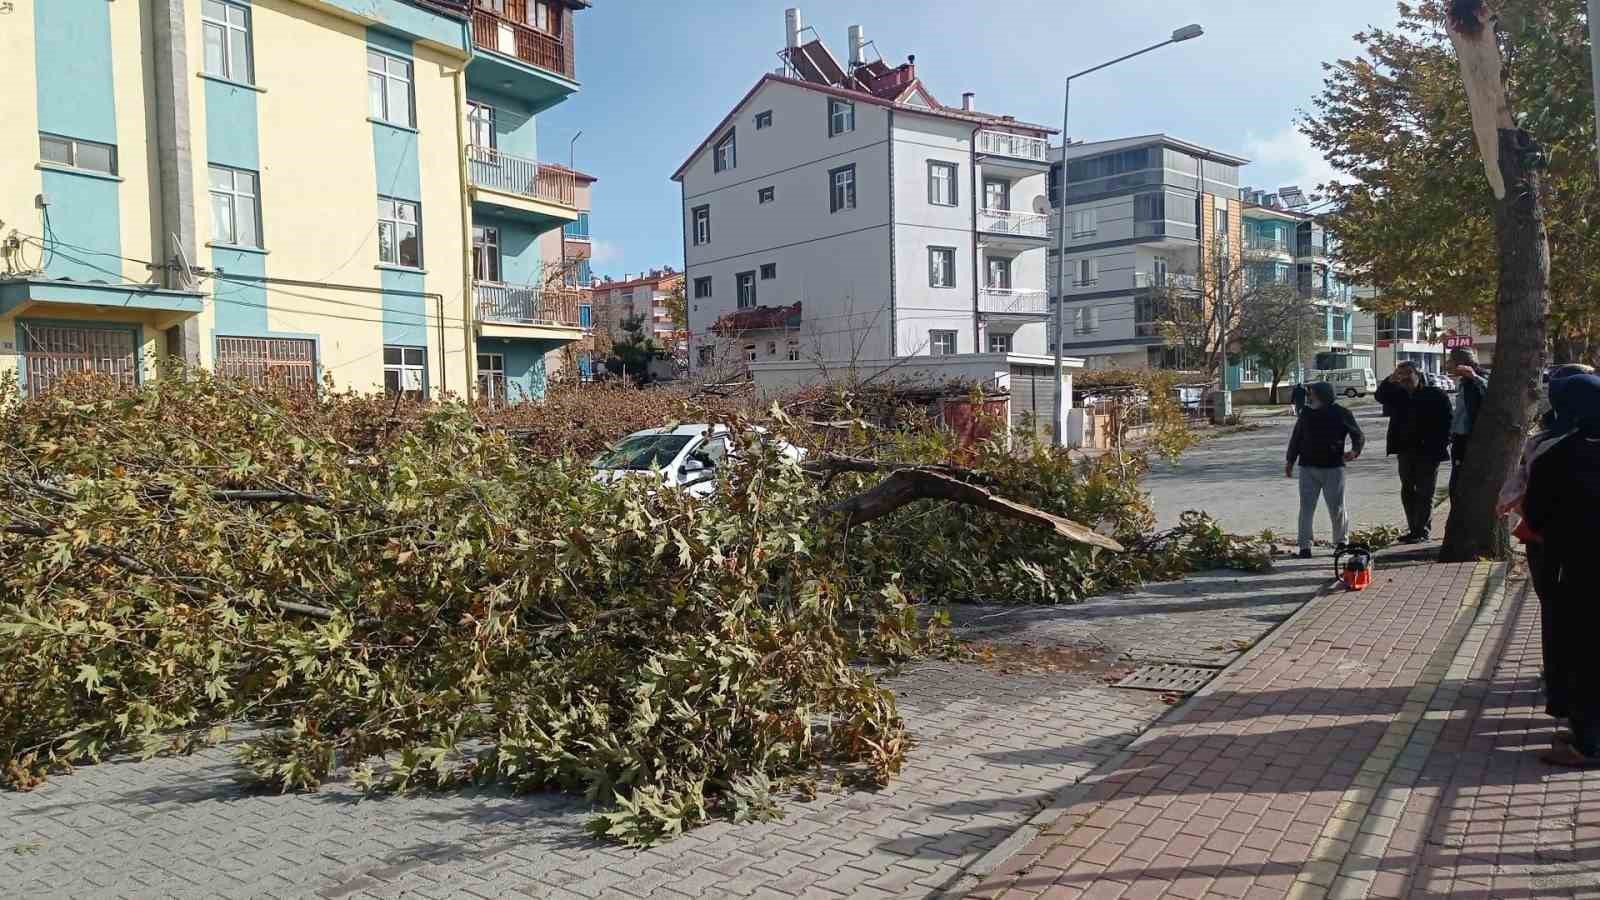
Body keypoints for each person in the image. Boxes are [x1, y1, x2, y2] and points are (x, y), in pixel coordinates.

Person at [1521, 372, 1600, 767]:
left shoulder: (1560, 453)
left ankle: (1589, 743)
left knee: (1583, 654)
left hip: (1579, 570)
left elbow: (1535, 513)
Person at [1374, 361, 1453, 542]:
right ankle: (1413, 529)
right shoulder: (1397, 394)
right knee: (1408, 490)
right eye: (1401, 374)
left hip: (1429, 451)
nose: (1405, 378)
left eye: (1409, 373)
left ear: (1418, 374)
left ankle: (1422, 530)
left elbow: (1448, 421)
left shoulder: (1435, 394)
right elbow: (1380, 396)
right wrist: (1390, 379)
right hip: (1405, 450)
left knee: (1425, 491)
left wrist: (1442, 442)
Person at [1285, 381, 1365, 559]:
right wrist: (1290, 460)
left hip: (1333, 467)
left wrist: (1355, 451)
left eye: (1311, 392)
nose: (1309, 395)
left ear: (1322, 395)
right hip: (1308, 467)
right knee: (1306, 508)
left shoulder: (1342, 413)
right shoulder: (1306, 413)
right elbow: (1296, 437)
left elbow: (1357, 434)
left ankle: (1341, 543)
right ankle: (1304, 546)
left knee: (1336, 508)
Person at [1446, 347, 1490, 497]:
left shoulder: (1479, 378)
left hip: (1472, 439)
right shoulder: (1464, 382)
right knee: (1456, 486)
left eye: (1451, 361)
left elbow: (1493, 397)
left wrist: (1475, 377)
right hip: (1459, 440)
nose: (1448, 364)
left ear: (1462, 363)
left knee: (1463, 485)